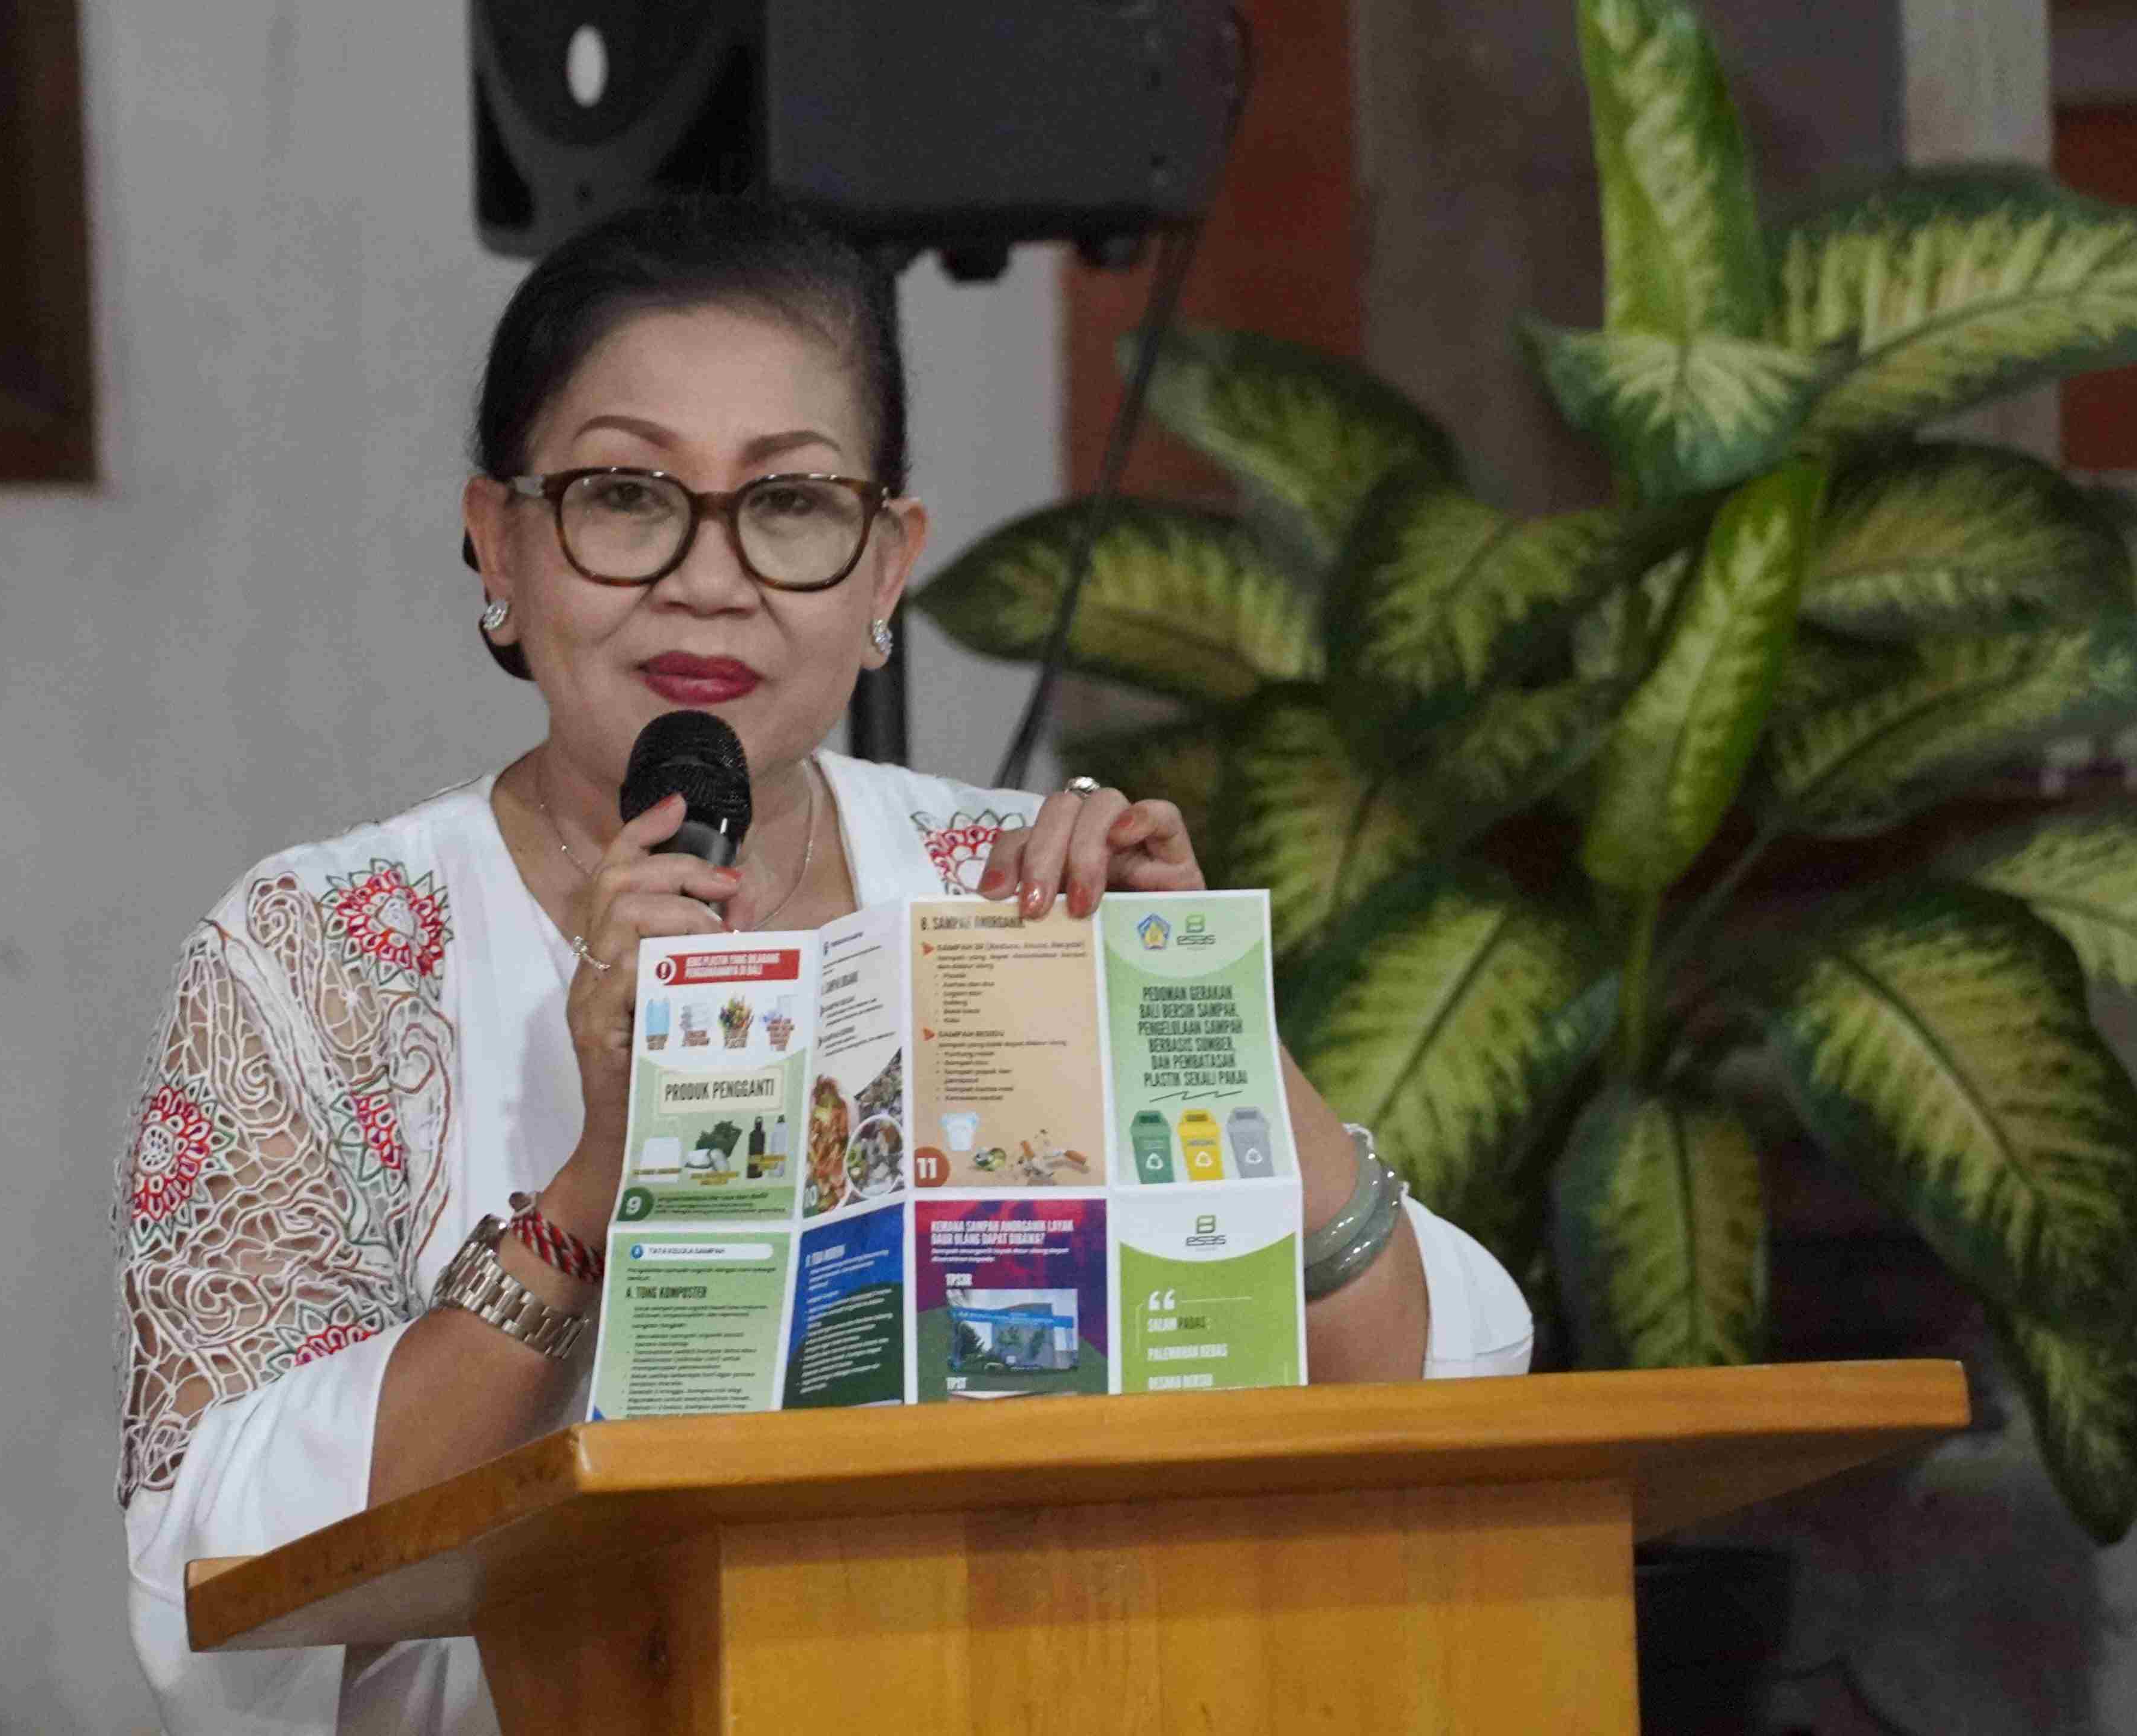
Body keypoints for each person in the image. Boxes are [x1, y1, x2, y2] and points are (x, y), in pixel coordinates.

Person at [113, 196, 1532, 1734]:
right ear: (498, 540)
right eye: (625, 494)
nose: (708, 578)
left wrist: (1198, 1020)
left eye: (788, 502)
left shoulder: (1011, 891)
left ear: (885, 567)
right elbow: (217, 1570)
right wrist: (600, 1177)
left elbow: (1423, 1388)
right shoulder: (321, 949)